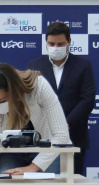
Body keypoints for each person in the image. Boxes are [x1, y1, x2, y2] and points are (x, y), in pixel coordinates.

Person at [28, 22, 95, 176]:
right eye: (51, 44)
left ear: (69, 42)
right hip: (43, 137)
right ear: (46, 42)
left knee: (72, 184)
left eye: (60, 44)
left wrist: (65, 123)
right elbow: (30, 99)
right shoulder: (34, 65)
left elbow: (88, 99)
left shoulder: (83, 65)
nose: (55, 47)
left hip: (75, 135)